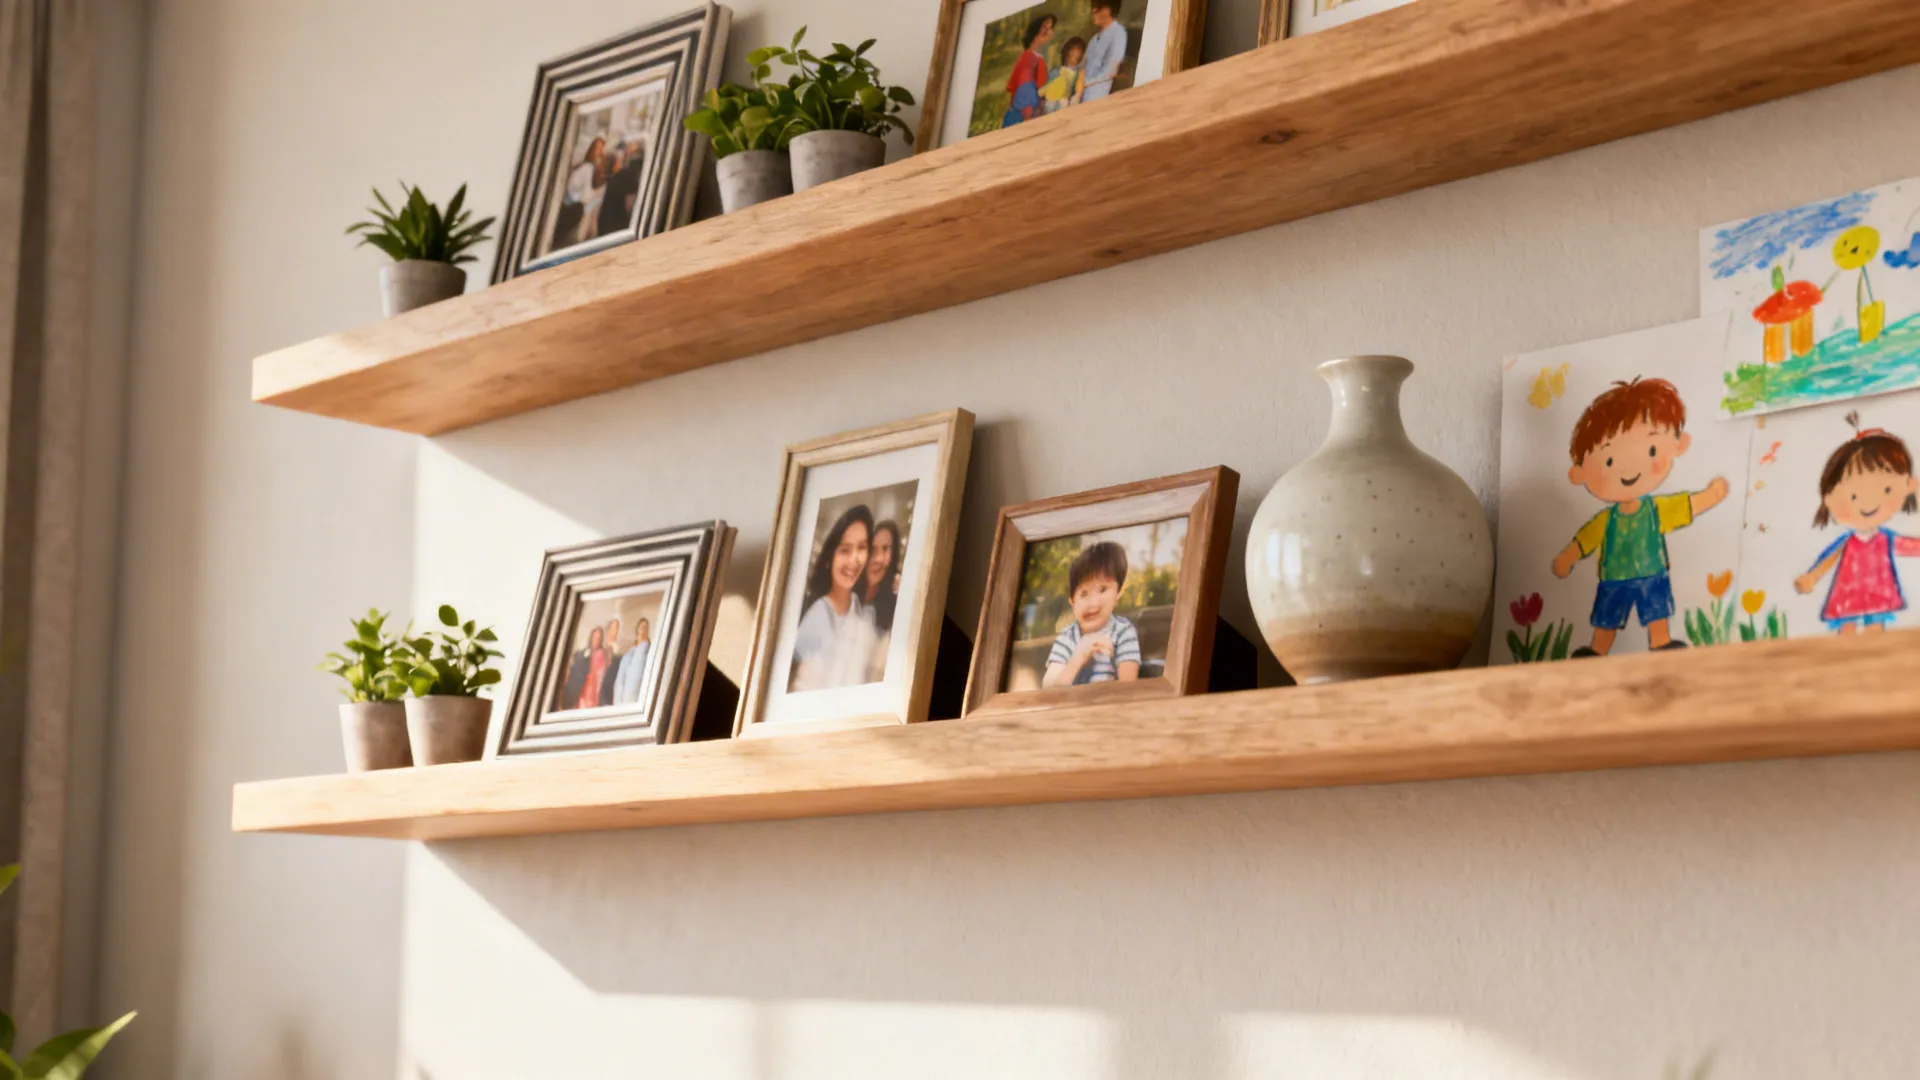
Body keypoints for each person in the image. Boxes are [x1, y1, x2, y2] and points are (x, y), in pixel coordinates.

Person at [1551, 378, 1730, 656]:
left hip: (1652, 575)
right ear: (1579, 472)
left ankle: (1661, 644)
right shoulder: (1606, 520)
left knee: (1657, 613)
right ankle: (1597, 651)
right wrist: (1567, 557)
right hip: (1613, 578)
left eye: (1650, 451)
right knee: (1606, 619)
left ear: (1678, 445)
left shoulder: (1656, 509)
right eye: (1608, 461)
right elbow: (1585, 539)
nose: (1629, 468)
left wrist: (1710, 496)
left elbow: (1685, 506)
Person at [1794, 413, 1920, 633]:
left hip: (1879, 597)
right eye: (1853, 496)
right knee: (1847, 639)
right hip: (1847, 599)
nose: (1869, 503)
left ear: (1907, 485)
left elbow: (1913, 546)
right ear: (1829, 498)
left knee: (1877, 637)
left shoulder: (1886, 539)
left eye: (1886, 490)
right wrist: (1812, 577)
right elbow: (1827, 560)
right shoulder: (1847, 542)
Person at [790, 505, 881, 692]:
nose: (855, 559)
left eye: (862, 548)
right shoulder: (817, 617)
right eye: (845, 550)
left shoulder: (863, 616)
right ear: (830, 556)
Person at [1042, 541, 1142, 686]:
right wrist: (1079, 655)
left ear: (1117, 594)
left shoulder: (1123, 632)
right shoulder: (1068, 637)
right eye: (1084, 594)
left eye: (1103, 590)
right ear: (1072, 602)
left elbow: (1128, 687)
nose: (1093, 603)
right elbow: (1048, 689)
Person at [552, 135, 607, 252]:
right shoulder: (587, 168)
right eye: (598, 149)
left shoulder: (596, 170)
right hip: (575, 206)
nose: (600, 153)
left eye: (602, 149)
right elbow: (579, 191)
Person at [1001, 16, 1054, 128]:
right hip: (1025, 114)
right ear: (1037, 34)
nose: (1050, 32)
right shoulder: (1030, 59)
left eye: (1050, 28)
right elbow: (1025, 89)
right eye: (1046, 29)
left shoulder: (1035, 58)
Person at [1080, 1, 1128, 104]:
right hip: (1082, 92)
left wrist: (1089, 83)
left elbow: (1111, 69)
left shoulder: (1118, 32)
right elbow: (1083, 66)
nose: (1094, 10)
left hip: (1100, 93)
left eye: (1098, 7)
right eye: (1093, 7)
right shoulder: (1093, 40)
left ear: (1109, 9)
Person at [597, 138, 646, 238]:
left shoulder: (620, 174)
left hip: (606, 226)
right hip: (618, 230)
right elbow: (630, 204)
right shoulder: (633, 174)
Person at [863, 520, 903, 634]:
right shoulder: (849, 595)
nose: (878, 559)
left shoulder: (896, 606)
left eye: (885, 549)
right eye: (873, 550)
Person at [561, 626, 613, 710]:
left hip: (595, 693)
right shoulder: (581, 654)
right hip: (581, 693)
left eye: (599, 638)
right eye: (595, 637)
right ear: (591, 638)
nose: (597, 640)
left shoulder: (603, 654)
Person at [613, 618, 654, 705]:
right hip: (624, 700)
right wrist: (618, 701)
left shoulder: (649, 650)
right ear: (637, 630)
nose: (644, 629)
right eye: (642, 627)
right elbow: (620, 678)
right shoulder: (628, 655)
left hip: (639, 699)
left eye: (646, 627)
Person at [1042, 37, 1087, 113]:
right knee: (1051, 104)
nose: (1075, 54)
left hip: (1067, 105)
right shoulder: (1056, 72)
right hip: (1053, 103)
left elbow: (1076, 92)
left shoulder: (1077, 74)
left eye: (1079, 52)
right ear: (1067, 52)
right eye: (1072, 52)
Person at [597, 617, 623, 707]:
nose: (615, 632)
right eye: (613, 628)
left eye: (617, 629)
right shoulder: (600, 648)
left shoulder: (617, 652)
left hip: (608, 693)